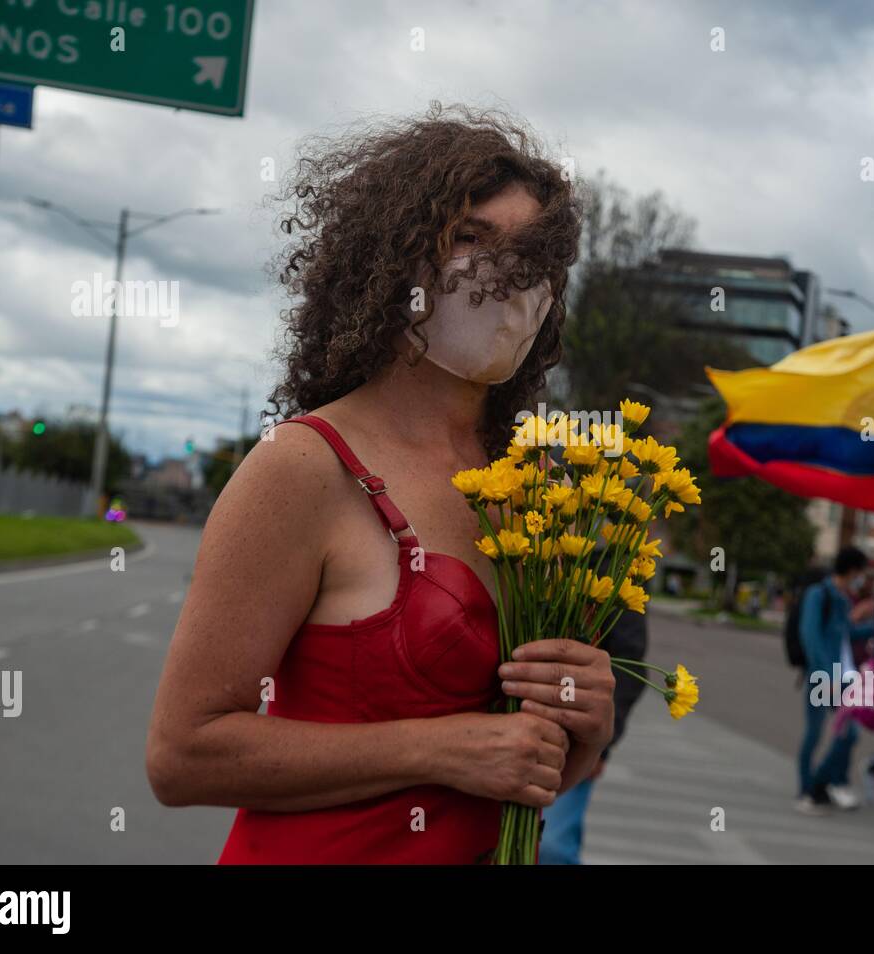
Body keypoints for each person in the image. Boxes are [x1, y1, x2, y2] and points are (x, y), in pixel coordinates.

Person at [144, 104, 616, 864]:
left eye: (534, 256)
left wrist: (585, 728)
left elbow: (533, 770)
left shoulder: (545, 487)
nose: (504, 275)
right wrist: (438, 749)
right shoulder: (304, 466)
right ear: (392, 255)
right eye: (470, 238)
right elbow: (182, 755)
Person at [539, 607, 648, 864]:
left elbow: (629, 658)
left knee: (551, 847)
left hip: (571, 742)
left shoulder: (619, 569)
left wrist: (600, 744)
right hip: (501, 726)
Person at [796, 545, 872, 815]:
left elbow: (848, 633)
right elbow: (810, 636)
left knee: (848, 733)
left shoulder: (842, 598)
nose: (862, 578)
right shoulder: (819, 594)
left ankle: (822, 783)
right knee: (814, 734)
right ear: (852, 570)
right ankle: (807, 790)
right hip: (823, 677)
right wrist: (824, 674)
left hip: (844, 677)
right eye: (862, 572)